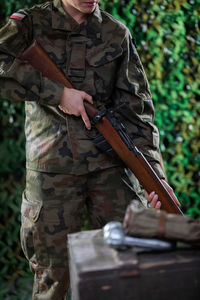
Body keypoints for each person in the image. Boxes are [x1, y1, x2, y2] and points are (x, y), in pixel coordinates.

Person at [0, 0, 180, 299]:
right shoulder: (29, 23)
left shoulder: (115, 32)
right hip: (52, 172)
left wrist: (155, 177)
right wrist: (58, 94)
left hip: (110, 170)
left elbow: (138, 114)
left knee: (128, 268)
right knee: (52, 280)